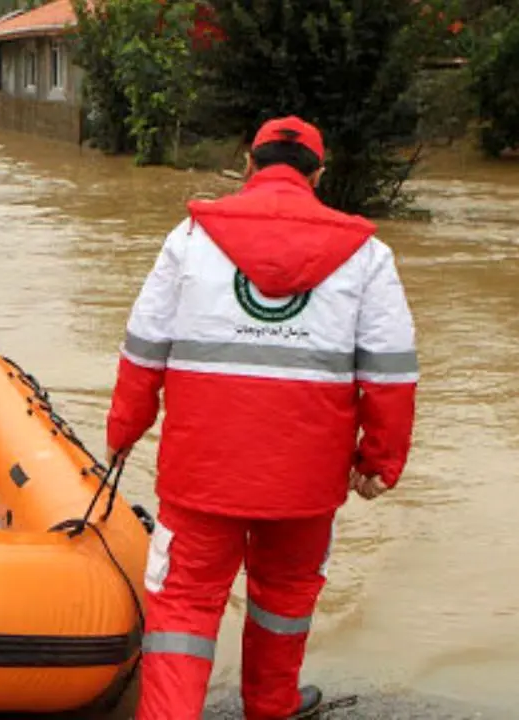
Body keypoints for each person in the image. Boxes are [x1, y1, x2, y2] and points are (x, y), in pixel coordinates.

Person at [106, 117, 418, 720]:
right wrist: (380, 461)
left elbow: (143, 348)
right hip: (306, 480)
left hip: (202, 472)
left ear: (247, 163)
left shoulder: (191, 238)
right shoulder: (367, 255)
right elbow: (392, 373)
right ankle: (271, 706)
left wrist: (124, 431)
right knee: (284, 600)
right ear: (318, 175)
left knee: (184, 608)